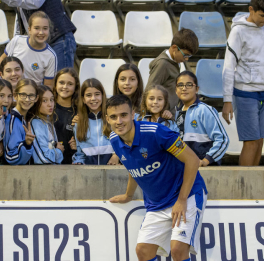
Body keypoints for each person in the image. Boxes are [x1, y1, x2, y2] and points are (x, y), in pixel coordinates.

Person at [107, 94, 207, 261]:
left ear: (133, 115)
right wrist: (128, 195)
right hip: (157, 203)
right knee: (143, 251)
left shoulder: (155, 132)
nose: (119, 121)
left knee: (178, 250)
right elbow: (134, 168)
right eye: (113, 117)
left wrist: (181, 200)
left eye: (123, 115)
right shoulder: (114, 140)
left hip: (186, 195)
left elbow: (193, 160)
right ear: (107, 119)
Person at [222, 0, 264, 166]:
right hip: (245, 93)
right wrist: (227, 100)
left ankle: (254, 186)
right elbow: (228, 67)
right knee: (251, 142)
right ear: (251, 9)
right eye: (262, 15)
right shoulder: (238, 32)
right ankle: (243, 187)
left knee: (260, 141)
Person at [0, 0, 77, 71]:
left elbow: (35, 1)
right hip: (42, 44)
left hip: (58, 40)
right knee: (45, 85)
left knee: (62, 82)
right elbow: (23, 24)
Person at [175, 71, 229, 166]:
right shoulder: (175, 113)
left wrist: (206, 160)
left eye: (189, 85)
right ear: (176, 90)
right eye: (180, 85)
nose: (184, 88)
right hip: (183, 168)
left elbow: (223, 139)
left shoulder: (205, 110)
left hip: (205, 168)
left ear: (197, 89)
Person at [0, 11, 57, 89]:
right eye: (36, 28)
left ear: (49, 30)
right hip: (9, 90)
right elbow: (2, 59)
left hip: (30, 96)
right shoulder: (17, 40)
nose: (41, 32)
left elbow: (48, 85)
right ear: (29, 29)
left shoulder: (51, 56)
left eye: (45, 28)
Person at [147, 29, 199, 115]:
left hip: (170, 113)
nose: (186, 59)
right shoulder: (162, 64)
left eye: (189, 56)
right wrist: (161, 111)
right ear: (174, 48)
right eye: (185, 55)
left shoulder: (175, 62)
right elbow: (149, 91)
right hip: (161, 117)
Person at [73, 78, 119, 165]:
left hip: (111, 168)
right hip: (89, 173)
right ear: (83, 99)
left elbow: (123, 142)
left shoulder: (113, 119)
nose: (93, 98)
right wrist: (78, 162)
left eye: (97, 94)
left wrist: (116, 156)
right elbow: (80, 153)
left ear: (102, 96)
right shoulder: (78, 123)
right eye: (88, 95)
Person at [4, 79, 39, 165]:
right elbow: (11, 156)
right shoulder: (12, 119)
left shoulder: (25, 119)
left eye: (31, 96)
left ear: (36, 98)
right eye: (23, 95)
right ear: (15, 96)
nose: (27, 99)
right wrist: (26, 144)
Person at [29, 85, 64, 164]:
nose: (50, 104)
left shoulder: (48, 121)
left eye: (51, 100)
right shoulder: (36, 123)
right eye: (44, 101)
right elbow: (44, 158)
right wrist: (59, 151)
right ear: (36, 102)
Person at [53, 68, 79, 164]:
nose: (65, 87)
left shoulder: (80, 112)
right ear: (55, 85)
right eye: (61, 82)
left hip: (73, 164)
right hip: (50, 163)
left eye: (70, 84)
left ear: (76, 87)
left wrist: (79, 144)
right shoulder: (48, 108)